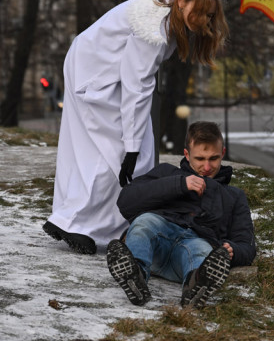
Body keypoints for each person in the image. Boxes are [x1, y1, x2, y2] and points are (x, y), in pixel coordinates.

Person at [43, 0, 234, 255]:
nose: (203, 21)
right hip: (95, 76)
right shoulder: (154, 32)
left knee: (120, 153)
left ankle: (91, 223)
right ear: (182, 0)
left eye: (209, 15)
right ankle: (80, 223)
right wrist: (130, 145)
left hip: (94, 67)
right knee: (119, 154)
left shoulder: (171, 6)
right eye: (201, 12)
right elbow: (136, 86)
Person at [106, 121, 256, 308]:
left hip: (193, 247)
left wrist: (233, 250)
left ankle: (195, 286)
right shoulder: (167, 173)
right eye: (200, 159)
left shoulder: (234, 196)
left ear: (223, 154)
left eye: (214, 158)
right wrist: (179, 185)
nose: (207, 167)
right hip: (156, 245)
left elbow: (247, 245)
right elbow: (126, 201)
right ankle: (135, 274)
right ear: (186, 154)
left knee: (202, 250)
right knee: (144, 222)